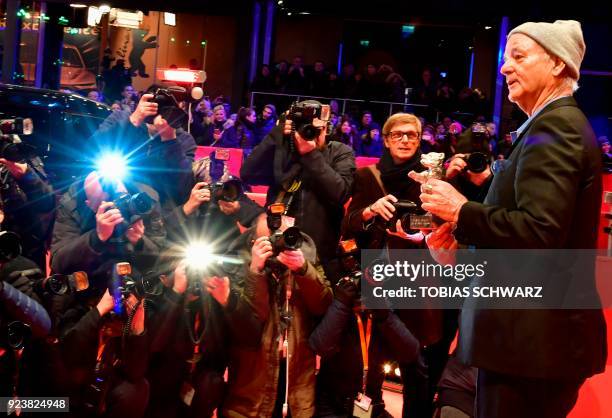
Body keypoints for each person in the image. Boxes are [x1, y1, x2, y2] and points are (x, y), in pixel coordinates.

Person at [416, 20, 607, 418]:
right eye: (505, 58)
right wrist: (462, 254)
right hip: (528, 345)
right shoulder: (548, 125)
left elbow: (539, 232)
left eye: (518, 56)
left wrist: (461, 210)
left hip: (533, 349)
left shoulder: (556, 127)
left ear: (558, 64)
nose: (504, 68)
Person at [343, 113, 443, 418]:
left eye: (412, 135)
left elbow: (439, 221)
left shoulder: (432, 179)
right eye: (398, 134)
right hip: (377, 280)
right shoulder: (366, 176)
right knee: (370, 364)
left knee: (416, 364)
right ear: (385, 139)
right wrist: (370, 211)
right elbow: (348, 224)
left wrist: (408, 226)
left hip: (417, 282)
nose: (405, 140)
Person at [221, 214, 332, 418]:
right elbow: (249, 323)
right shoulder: (239, 264)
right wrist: (255, 270)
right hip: (251, 392)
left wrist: (304, 270)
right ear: (253, 242)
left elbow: (323, 305)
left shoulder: (304, 256)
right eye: (269, 239)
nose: (276, 243)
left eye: (280, 236)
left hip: (297, 388)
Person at [240, 100, 356, 281]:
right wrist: (275, 136)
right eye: (303, 128)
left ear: (327, 129)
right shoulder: (283, 149)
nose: (310, 134)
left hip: (320, 255)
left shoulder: (340, 152)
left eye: (317, 130)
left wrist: (310, 154)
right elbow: (248, 175)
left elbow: (341, 192)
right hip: (276, 249)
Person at [91, 89, 197, 210]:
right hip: (111, 195)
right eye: (156, 104)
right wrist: (134, 120)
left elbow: (183, 189)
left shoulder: (184, 140)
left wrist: (170, 140)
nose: (159, 111)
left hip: (155, 210)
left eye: (167, 108)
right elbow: (92, 147)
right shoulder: (121, 117)